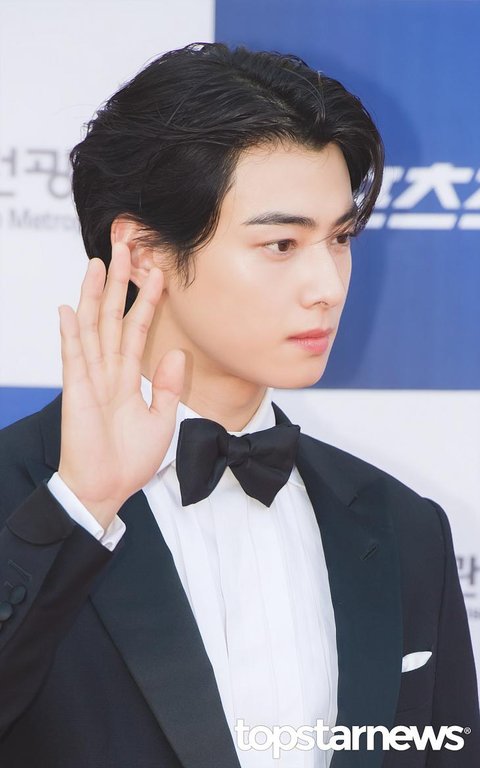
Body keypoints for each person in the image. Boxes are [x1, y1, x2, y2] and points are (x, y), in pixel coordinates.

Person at [0, 42, 478, 768]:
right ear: (144, 252)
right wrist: (80, 508)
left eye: (340, 239)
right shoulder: (23, 499)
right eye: (282, 244)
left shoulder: (404, 527)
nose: (328, 286)